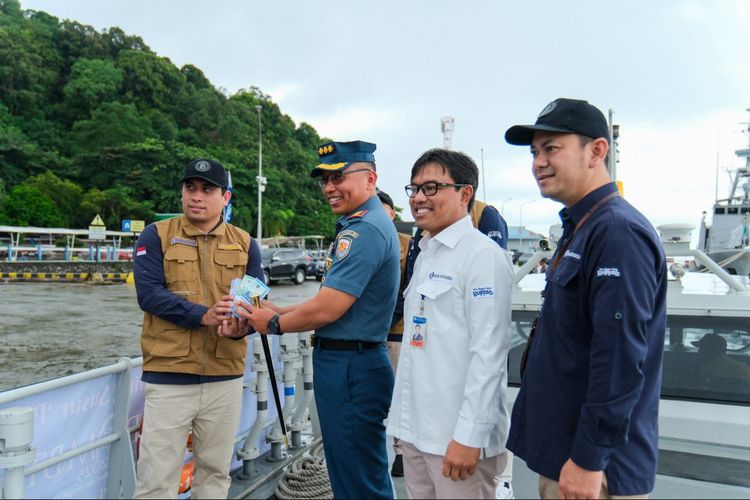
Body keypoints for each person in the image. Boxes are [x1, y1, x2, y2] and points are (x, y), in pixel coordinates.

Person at [504, 98, 667, 499]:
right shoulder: (584, 227)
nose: (538, 162)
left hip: (594, 469)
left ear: (596, 151)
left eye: (551, 148)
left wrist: (589, 459)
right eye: (534, 152)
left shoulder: (617, 233)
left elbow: (619, 359)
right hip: (568, 456)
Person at [237, 140, 400, 500]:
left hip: (351, 368)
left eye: (338, 177)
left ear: (370, 179)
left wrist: (273, 325)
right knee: (350, 471)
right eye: (324, 180)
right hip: (349, 362)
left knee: (358, 479)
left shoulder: (364, 230)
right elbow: (333, 303)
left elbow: (328, 309)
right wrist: (277, 311)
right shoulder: (364, 224)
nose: (329, 188)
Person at [387, 148, 515, 499]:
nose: (418, 198)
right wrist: (403, 426)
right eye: (414, 189)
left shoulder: (482, 256)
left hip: (455, 439)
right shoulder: (427, 254)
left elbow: (489, 355)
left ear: (465, 193)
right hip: (416, 433)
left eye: (431, 188)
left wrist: (469, 437)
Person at [132, 159, 263, 499]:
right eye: (190, 187)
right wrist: (203, 315)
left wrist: (240, 328)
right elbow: (149, 295)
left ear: (225, 197)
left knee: (215, 475)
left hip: (225, 377)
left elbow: (255, 304)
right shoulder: (156, 235)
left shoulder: (246, 244)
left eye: (207, 189)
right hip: (169, 375)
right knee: (155, 481)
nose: (197, 196)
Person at [376, 187, 412, 478]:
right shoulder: (355, 239)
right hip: (365, 335)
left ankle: (401, 451)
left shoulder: (409, 244)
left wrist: (385, 322)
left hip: (396, 332)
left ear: (391, 212)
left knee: (400, 394)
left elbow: (408, 290)